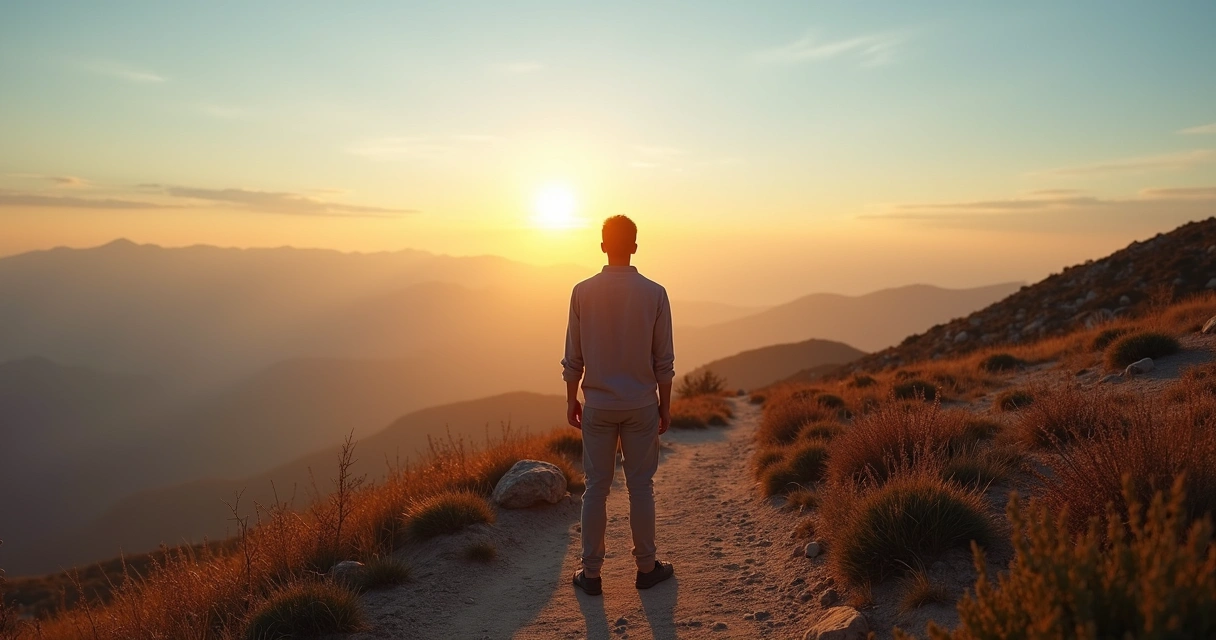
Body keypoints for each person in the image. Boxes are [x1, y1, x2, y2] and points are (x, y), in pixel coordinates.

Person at [561, 214, 676, 596]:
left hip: (597, 404)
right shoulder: (655, 293)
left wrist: (572, 399)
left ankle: (591, 574)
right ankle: (646, 568)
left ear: (603, 246)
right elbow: (663, 361)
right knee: (641, 487)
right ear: (635, 247)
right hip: (641, 404)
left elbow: (573, 357)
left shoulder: (582, 292)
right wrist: (664, 406)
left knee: (596, 488)